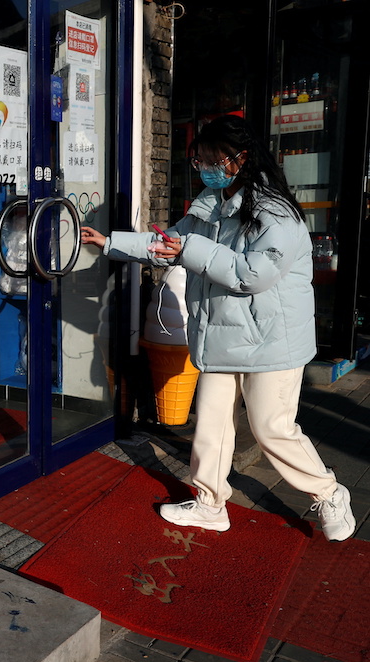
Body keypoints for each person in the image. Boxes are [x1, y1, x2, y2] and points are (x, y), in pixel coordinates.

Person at [80, 114, 356, 542]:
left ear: (240, 159)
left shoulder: (277, 213)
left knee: (272, 430)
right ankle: (210, 504)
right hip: (222, 336)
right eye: (200, 161)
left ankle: (330, 492)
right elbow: (169, 244)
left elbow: (251, 275)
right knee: (211, 426)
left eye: (212, 160)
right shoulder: (209, 207)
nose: (205, 168)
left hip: (272, 342)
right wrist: (111, 242)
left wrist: (191, 248)